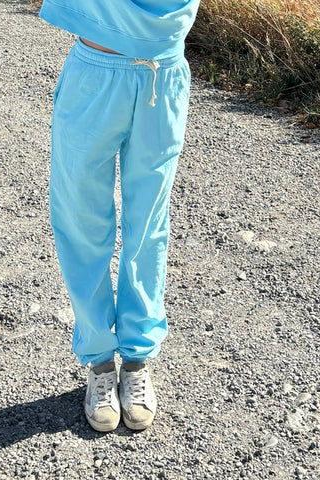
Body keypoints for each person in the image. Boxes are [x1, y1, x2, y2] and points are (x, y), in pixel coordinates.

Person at [39, 0, 201, 432]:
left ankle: (136, 358)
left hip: (162, 75)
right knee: (80, 221)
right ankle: (98, 360)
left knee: (148, 227)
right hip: (94, 71)